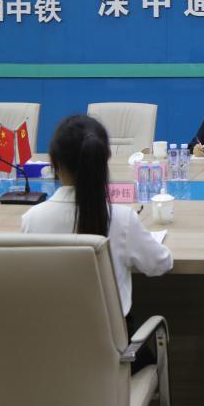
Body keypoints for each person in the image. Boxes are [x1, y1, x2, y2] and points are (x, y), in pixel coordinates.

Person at [22, 115, 173, 322]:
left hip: (50, 337)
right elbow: (161, 264)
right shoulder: (122, 218)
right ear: (105, 159)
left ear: (53, 162)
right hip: (112, 339)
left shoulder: (32, 219)